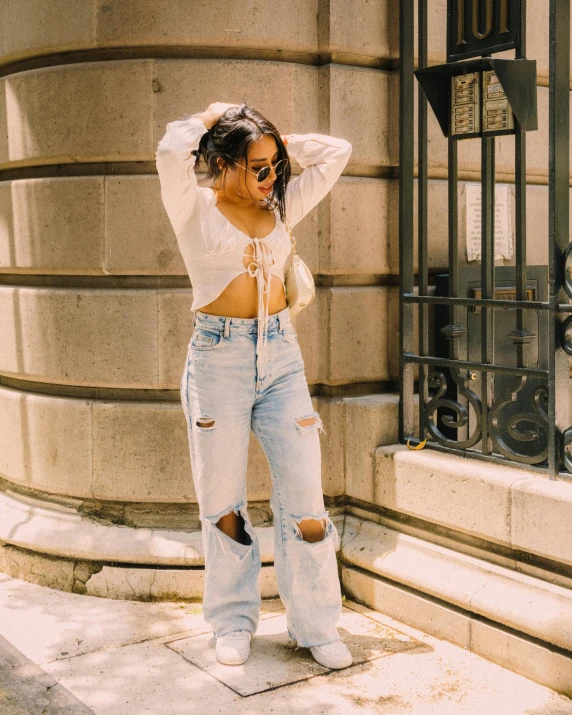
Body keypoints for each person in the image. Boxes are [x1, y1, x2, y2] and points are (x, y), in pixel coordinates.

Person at [155, 101, 353, 669]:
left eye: (275, 165)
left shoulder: (280, 201)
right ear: (221, 163)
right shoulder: (192, 206)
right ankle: (232, 621)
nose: (271, 177)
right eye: (257, 166)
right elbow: (171, 150)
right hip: (219, 359)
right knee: (222, 503)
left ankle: (315, 625)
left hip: (281, 356)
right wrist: (211, 115)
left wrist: (276, 140)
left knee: (307, 499)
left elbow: (337, 152)